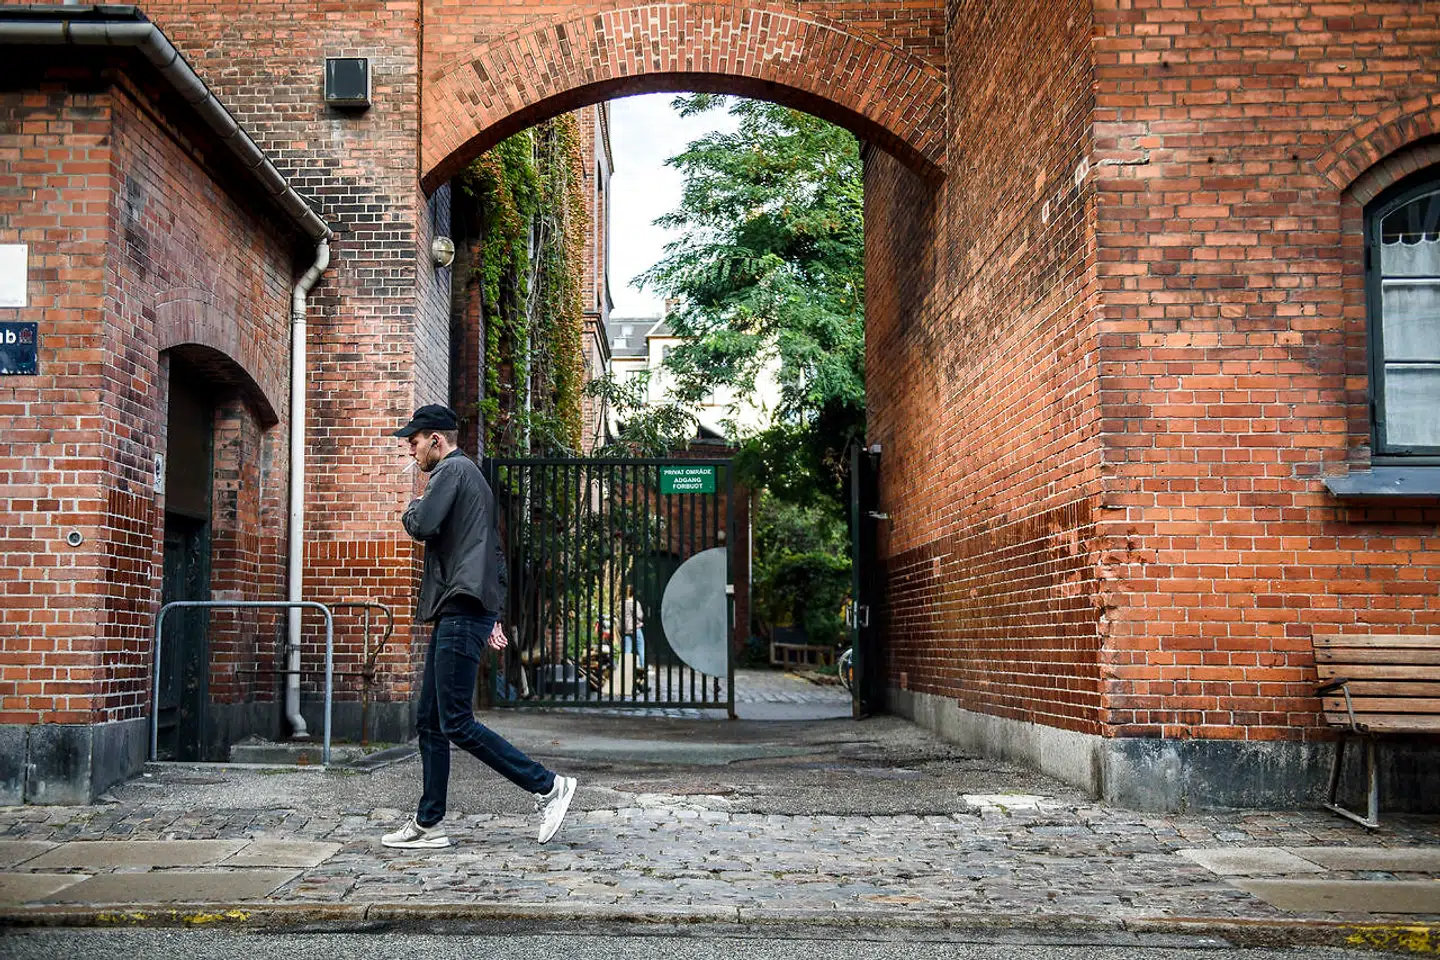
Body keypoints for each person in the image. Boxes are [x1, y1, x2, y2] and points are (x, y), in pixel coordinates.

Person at [381, 403, 576, 849]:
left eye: (414, 442)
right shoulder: (474, 479)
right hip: (466, 608)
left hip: (462, 609)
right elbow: (494, 555)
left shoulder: (450, 472)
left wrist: (412, 506)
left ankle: (548, 786)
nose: (411, 451)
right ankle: (429, 824)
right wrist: (492, 612)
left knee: (456, 721)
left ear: (436, 440)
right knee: (430, 720)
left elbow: (424, 524)